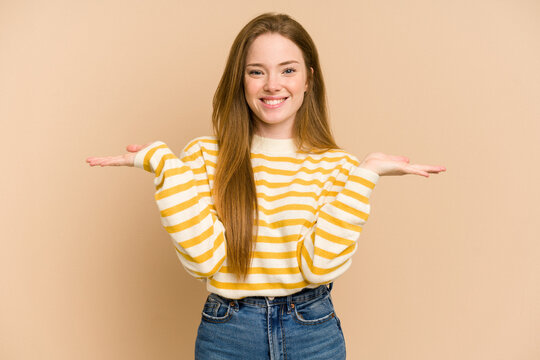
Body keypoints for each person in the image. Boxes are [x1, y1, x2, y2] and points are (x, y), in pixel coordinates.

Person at [86, 12, 445, 360]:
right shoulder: (203, 155)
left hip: (312, 330)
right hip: (227, 332)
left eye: (288, 70)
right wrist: (166, 166)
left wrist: (365, 176)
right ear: (240, 80)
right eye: (257, 72)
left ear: (309, 79)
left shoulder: (338, 166)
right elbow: (204, 260)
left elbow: (318, 268)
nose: (273, 84)